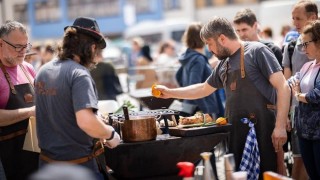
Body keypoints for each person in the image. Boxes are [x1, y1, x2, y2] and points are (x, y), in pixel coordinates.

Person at [155, 16, 290, 178]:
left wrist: (280, 126)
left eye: (209, 44)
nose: (209, 49)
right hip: (236, 133)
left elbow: (283, 87)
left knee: (269, 175)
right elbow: (203, 89)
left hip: (265, 130)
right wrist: (170, 93)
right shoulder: (223, 63)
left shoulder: (257, 51)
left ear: (222, 38)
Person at [34, 17, 120, 180]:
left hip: (47, 167)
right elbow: (86, 121)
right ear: (92, 47)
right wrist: (110, 134)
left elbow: (59, 110)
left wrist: (96, 118)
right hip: (77, 169)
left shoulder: (43, 71)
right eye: (97, 50)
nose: (97, 55)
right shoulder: (79, 74)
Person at [282, 1, 318, 179]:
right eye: (293, 18)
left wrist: (299, 95)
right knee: (301, 162)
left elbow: (315, 95)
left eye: (299, 18)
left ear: (313, 18)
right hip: (301, 119)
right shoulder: (291, 47)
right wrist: (286, 114)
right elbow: (287, 83)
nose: (294, 23)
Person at [0, 20, 39, 180]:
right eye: (18, 46)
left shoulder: (28, 68)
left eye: (26, 46)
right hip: (5, 158)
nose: (23, 51)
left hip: (34, 153)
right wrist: (31, 111)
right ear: (1, 43)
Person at [176, 22, 224, 117]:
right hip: (202, 111)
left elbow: (178, 77)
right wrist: (206, 111)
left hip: (191, 108)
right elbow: (194, 86)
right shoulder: (198, 59)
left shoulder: (187, 57)